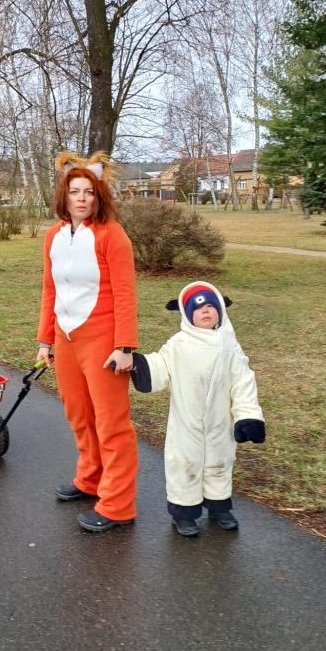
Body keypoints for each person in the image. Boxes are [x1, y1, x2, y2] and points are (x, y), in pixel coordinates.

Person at [36, 151, 139, 533]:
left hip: (103, 339)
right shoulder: (53, 236)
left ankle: (118, 504)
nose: (81, 198)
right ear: (64, 196)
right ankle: (91, 478)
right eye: (74, 191)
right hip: (66, 339)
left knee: (111, 422)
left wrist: (124, 347)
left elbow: (125, 293)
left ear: (99, 196)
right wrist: (45, 340)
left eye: (89, 192)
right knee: (79, 415)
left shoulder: (112, 235)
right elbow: (50, 290)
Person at [130, 281, 266, 537]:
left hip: (220, 421)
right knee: (184, 464)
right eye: (198, 308)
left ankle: (219, 506)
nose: (205, 311)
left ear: (221, 311)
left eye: (211, 307)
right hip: (186, 422)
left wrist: (248, 416)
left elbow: (243, 381)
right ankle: (184, 513)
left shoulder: (230, 346)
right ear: (187, 315)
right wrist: (137, 365)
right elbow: (161, 366)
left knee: (220, 462)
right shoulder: (178, 344)